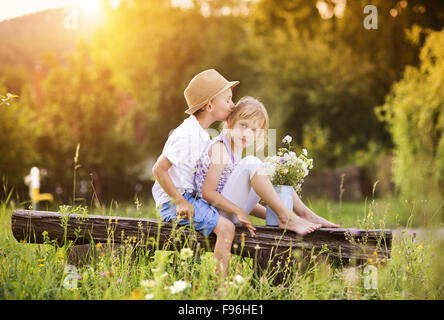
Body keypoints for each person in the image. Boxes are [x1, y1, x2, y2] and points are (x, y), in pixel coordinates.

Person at [194, 96, 340, 275]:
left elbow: (240, 197)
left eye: (254, 130)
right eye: (243, 125)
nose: (247, 134)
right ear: (230, 122)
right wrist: (241, 211)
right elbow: (208, 193)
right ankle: (287, 216)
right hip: (215, 215)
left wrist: (270, 214)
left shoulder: (236, 150)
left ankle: (303, 213)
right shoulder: (220, 149)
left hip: (227, 210)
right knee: (253, 163)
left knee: (271, 171)